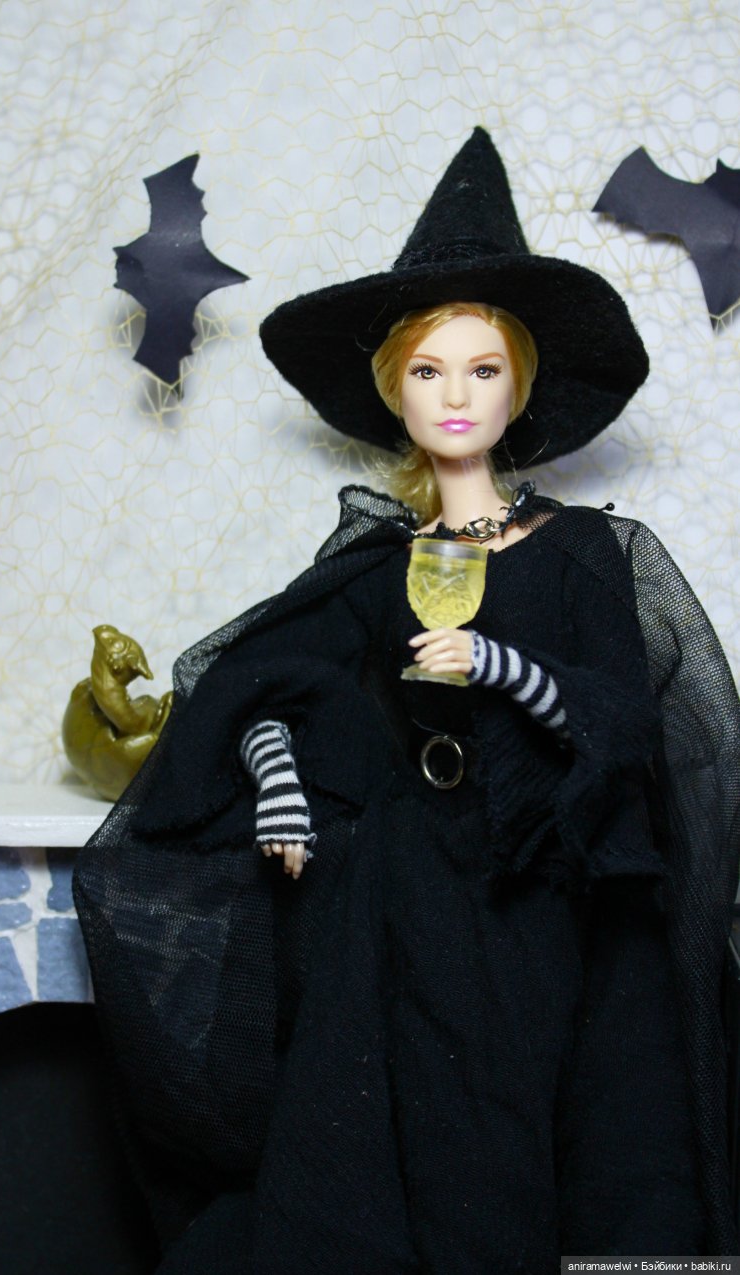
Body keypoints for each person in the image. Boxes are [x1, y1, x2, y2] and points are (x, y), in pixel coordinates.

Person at [73, 128, 740, 1272]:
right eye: (429, 370)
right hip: (407, 893)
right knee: (393, 1156)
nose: (455, 394)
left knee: (560, 1152)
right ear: (394, 388)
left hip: (549, 899)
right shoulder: (381, 561)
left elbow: (624, 722)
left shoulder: (581, 551)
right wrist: (278, 785)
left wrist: (500, 670)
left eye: (482, 369)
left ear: (519, 384)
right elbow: (265, 684)